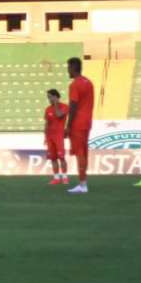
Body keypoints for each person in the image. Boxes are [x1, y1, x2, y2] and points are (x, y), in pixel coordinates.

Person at [65, 57, 94, 194]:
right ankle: (83, 182)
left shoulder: (74, 85)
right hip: (87, 122)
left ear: (73, 68)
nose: (67, 70)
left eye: (68, 67)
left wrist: (68, 125)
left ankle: (83, 185)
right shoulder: (88, 82)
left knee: (79, 154)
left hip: (78, 123)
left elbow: (73, 106)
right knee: (84, 152)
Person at [44, 89, 69, 185]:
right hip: (50, 136)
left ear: (56, 97)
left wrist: (56, 104)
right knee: (53, 158)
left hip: (59, 136)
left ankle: (65, 177)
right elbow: (47, 123)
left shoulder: (64, 107)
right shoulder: (47, 109)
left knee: (61, 157)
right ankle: (56, 178)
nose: (49, 99)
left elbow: (59, 115)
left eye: (50, 97)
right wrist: (45, 137)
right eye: (48, 97)